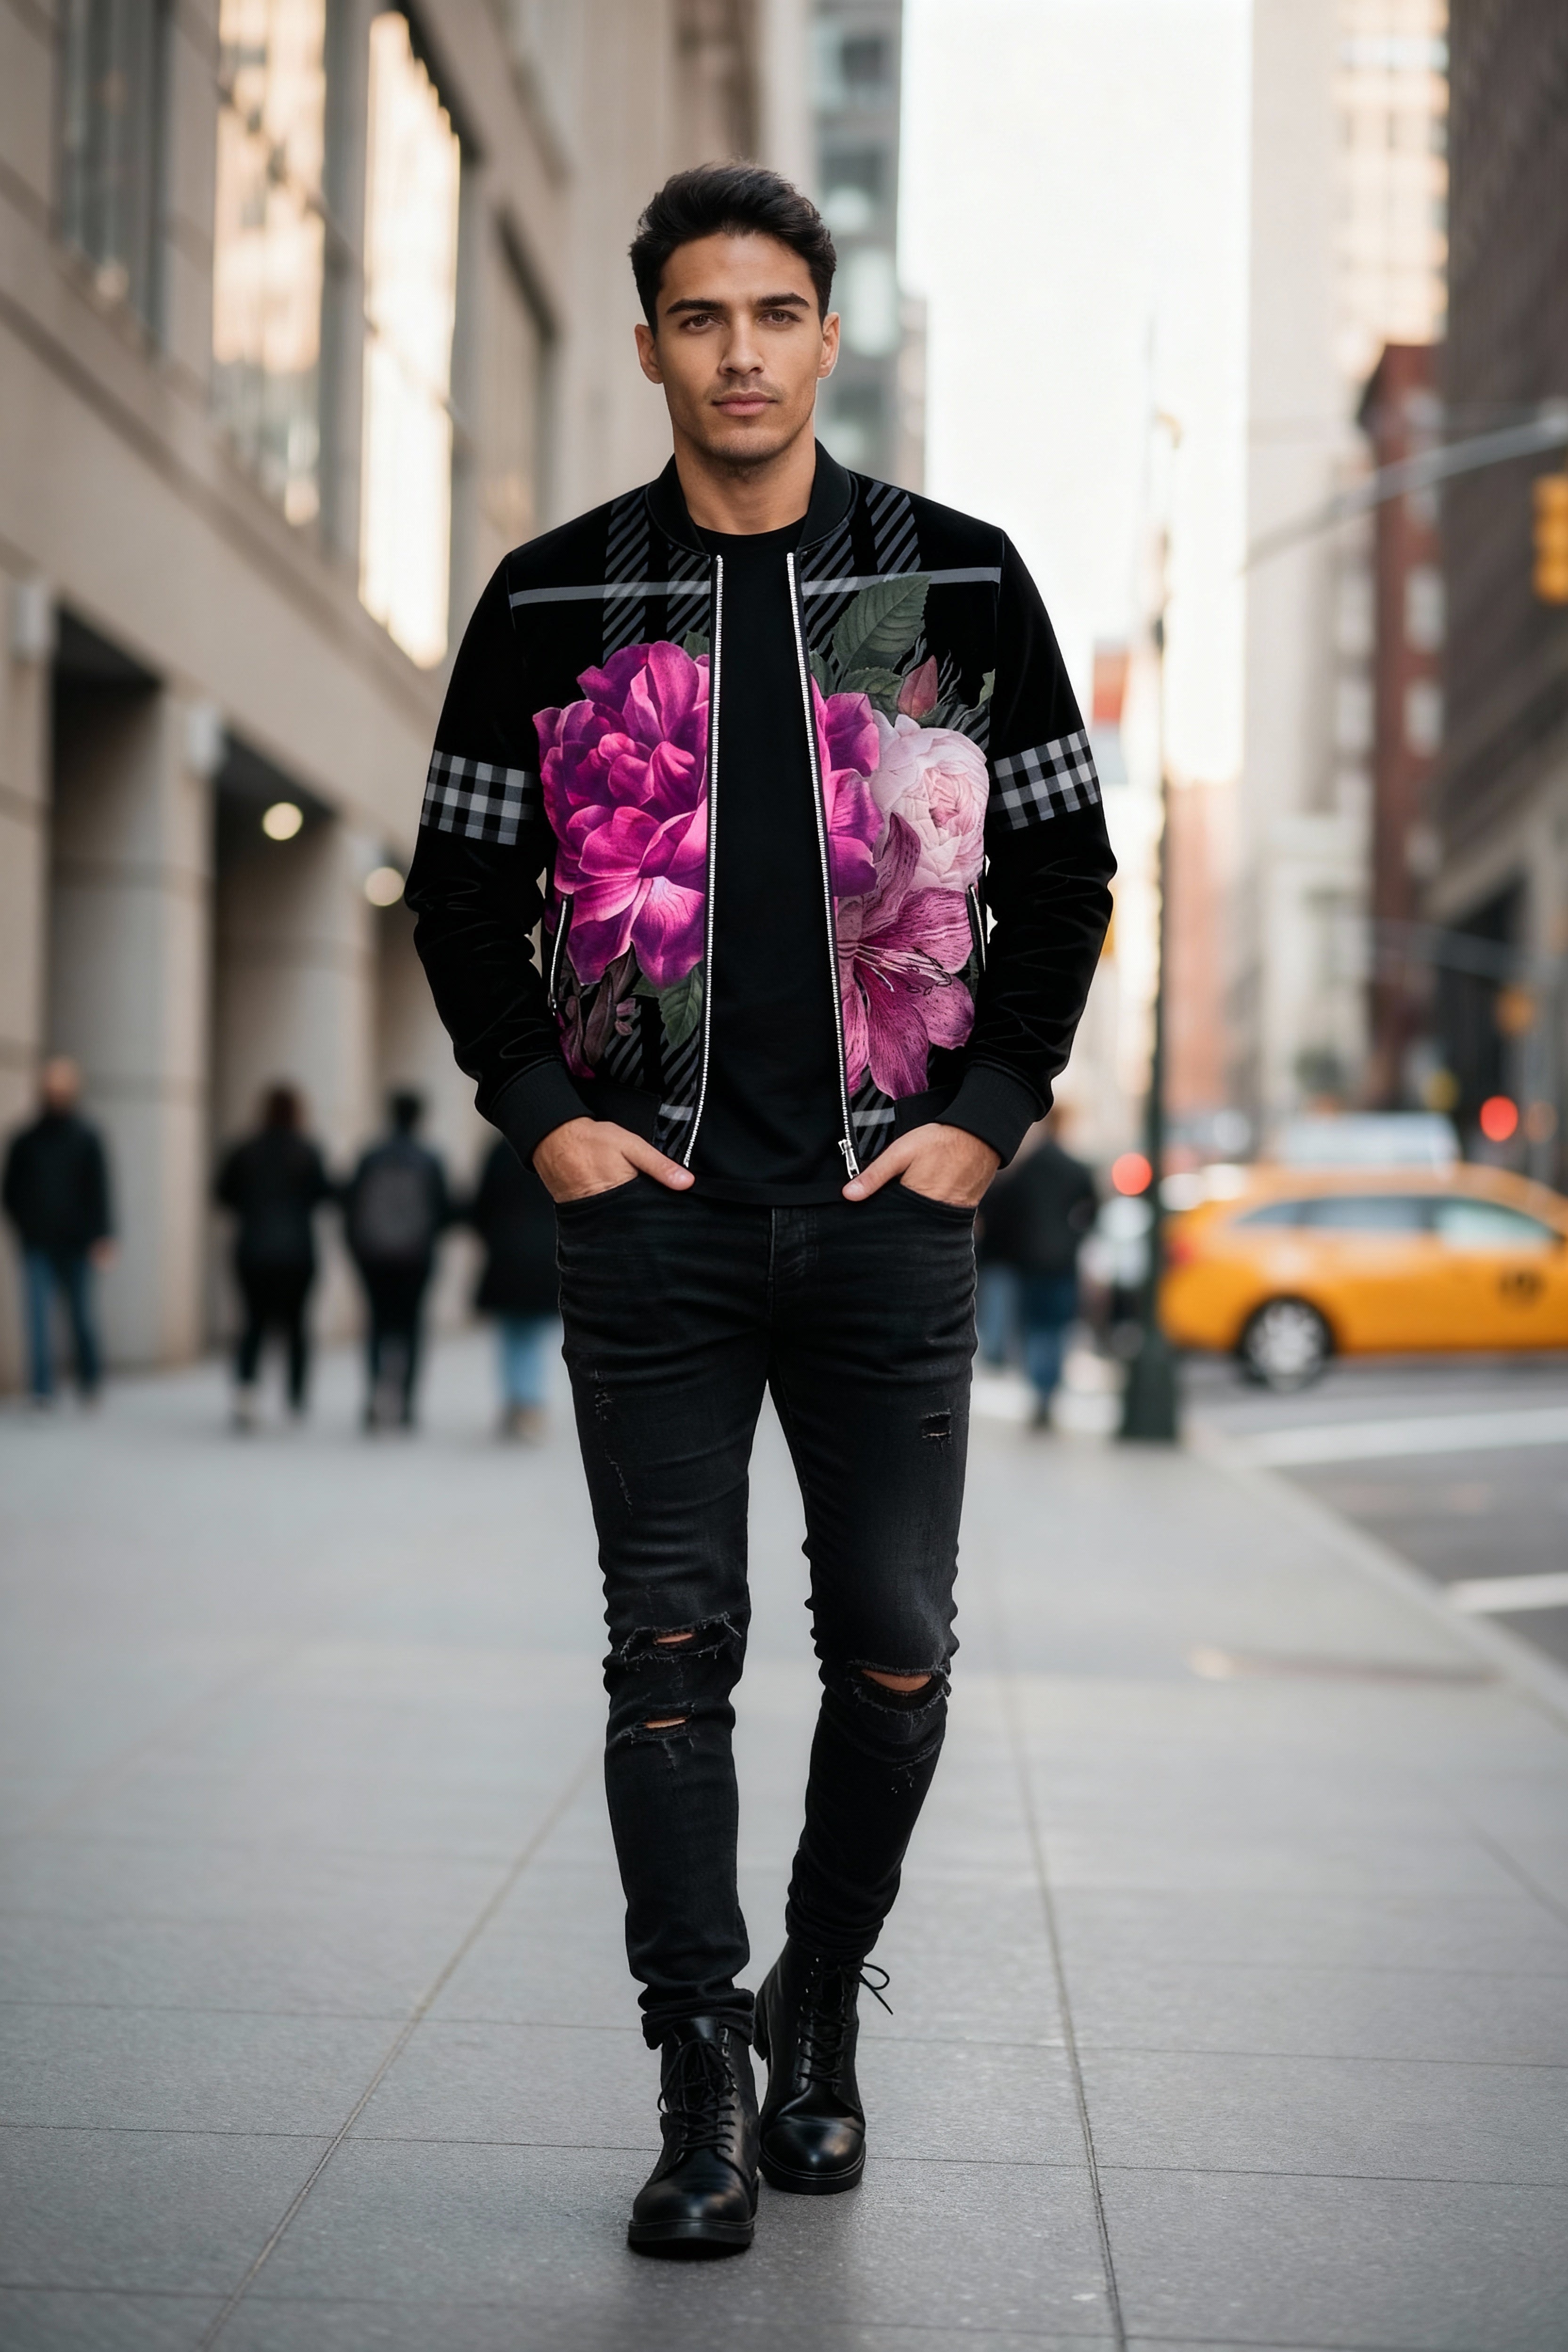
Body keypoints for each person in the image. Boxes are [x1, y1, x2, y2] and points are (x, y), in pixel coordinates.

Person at [405, 163, 1114, 2257]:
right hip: (658, 1225)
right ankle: (704, 2071)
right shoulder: (554, 597)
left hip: (893, 1212)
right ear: (648, 346)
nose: (739, 351)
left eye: (776, 314)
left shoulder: (956, 583)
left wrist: (991, 1113)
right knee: (669, 1653)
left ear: (824, 336)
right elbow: (458, 887)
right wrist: (540, 1113)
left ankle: (822, 1998)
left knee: (895, 1652)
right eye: (701, 317)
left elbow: (1066, 876)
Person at [214, 1085, 332, 1428]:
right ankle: (295, 1397)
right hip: (297, 1252)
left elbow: (223, 1194)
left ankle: (247, 1392)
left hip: (252, 1250)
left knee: (252, 1323)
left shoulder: (245, 1150)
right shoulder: (306, 1151)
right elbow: (323, 1195)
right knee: (297, 1326)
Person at [3, 1057, 114, 1405]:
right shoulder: (26, 1139)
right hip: (37, 1241)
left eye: (63, 1089)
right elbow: (10, 1191)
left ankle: (89, 1379)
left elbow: (100, 1190)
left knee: (81, 1316)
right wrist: (26, 1225)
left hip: (78, 1242)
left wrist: (103, 1235)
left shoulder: (87, 1136)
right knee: (37, 1318)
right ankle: (42, 1388)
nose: (57, 1096)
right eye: (52, 1089)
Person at [977, 1115, 1099, 1424]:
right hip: (1061, 1262)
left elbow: (1002, 1211)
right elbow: (1093, 1208)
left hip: (1031, 1262)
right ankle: (1047, 1390)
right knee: (1056, 1329)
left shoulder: (1026, 1170)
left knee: (1035, 1329)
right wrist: (1075, 1236)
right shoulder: (1074, 1168)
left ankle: (1040, 1389)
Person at [343, 1091, 451, 1430]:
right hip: (416, 1258)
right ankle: (406, 1404)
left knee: (377, 1325)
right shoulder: (429, 1159)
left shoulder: (370, 1157)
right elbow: (444, 1212)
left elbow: (350, 1206)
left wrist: (358, 1251)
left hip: (374, 1257)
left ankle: (376, 1395)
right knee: (413, 1328)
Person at [466, 1135, 560, 1440]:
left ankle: (519, 1402)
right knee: (530, 1334)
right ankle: (528, 1403)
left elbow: (482, 1205)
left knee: (512, 1332)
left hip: (507, 1252)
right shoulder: (557, 1145)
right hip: (547, 1253)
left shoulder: (499, 1150)